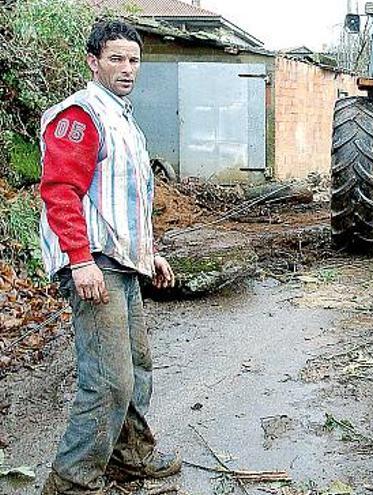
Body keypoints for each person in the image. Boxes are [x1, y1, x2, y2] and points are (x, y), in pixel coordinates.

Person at [38, 19, 180, 495]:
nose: (126, 68)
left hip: (121, 261)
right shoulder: (81, 116)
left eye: (133, 59)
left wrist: (150, 252)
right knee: (109, 379)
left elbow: (129, 197)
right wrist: (80, 260)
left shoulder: (121, 116)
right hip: (94, 262)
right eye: (116, 58)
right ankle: (72, 479)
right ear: (92, 61)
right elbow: (61, 191)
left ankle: (129, 456)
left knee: (137, 367)